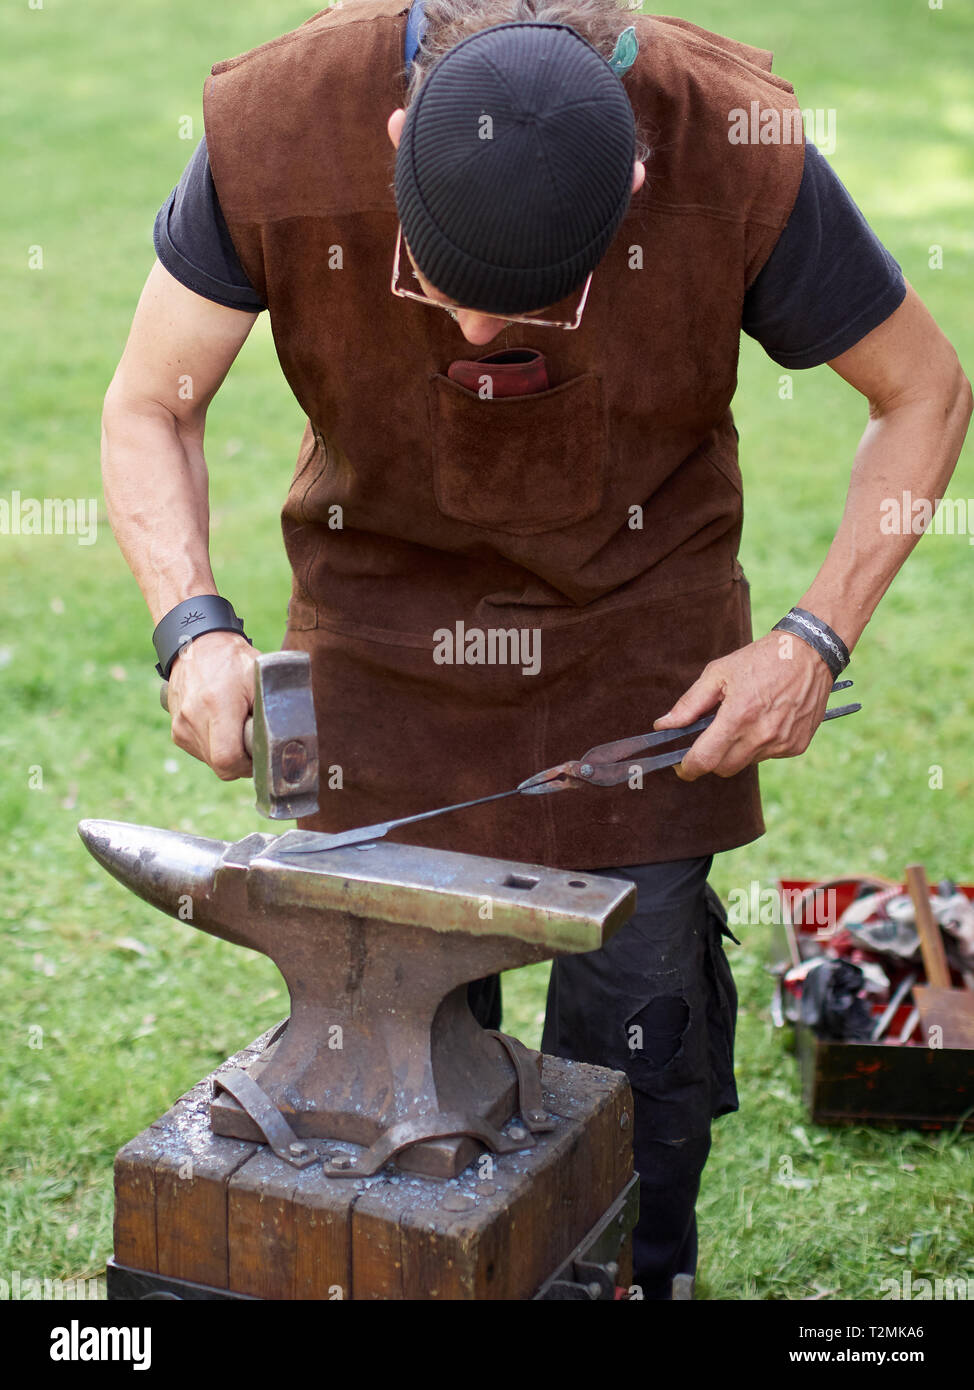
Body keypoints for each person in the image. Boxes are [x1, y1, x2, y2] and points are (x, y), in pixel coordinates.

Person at [100, 1, 971, 1299]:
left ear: (629, 178)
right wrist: (193, 625)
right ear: (395, 137)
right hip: (376, 643)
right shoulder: (276, 127)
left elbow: (922, 391)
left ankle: (640, 1271)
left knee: (637, 1043)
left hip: (641, 661)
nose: (469, 337)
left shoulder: (738, 149)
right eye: (445, 285)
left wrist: (810, 638)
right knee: (384, 1037)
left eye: (524, 300)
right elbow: (150, 402)